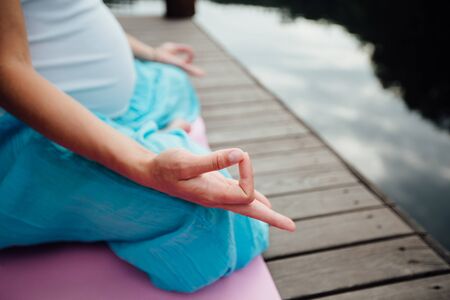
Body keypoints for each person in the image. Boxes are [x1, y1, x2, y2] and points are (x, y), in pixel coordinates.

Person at [0, 0, 295, 292]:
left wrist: (149, 53)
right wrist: (146, 165)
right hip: (27, 129)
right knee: (218, 219)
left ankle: (141, 134)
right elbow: (6, 67)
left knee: (175, 78)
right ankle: (139, 141)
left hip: (97, 103)